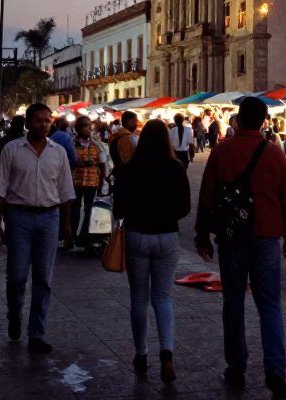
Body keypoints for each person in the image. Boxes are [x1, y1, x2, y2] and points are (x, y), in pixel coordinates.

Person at [195, 96, 286, 399]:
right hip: (267, 235)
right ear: (264, 121)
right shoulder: (274, 152)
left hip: (231, 236)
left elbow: (206, 194)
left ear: (238, 119)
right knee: (270, 304)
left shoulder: (222, 150)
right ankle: (275, 368)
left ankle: (237, 365)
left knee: (233, 302)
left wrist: (202, 235)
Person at [0, 103, 74, 353]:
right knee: (17, 276)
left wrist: (67, 225)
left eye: (47, 120)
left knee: (43, 278)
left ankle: (37, 332)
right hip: (19, 217)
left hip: (49, 218)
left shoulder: (58, 152)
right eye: (38, 120)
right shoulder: (12, 150)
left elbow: (66, 192)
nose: (43, 125)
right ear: (27, 123)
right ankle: (14, 313)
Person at [113, 119, 191, 383]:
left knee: (138, 298)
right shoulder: (175, 168)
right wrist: (166, 214)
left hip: (137, 235)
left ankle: (141, 353)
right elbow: (185, 207)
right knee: (163, 297)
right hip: (166, 236)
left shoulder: (131, 168)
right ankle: (167, 354)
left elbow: (118, 208)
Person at [69, 115, 110, 247]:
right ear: (78, 128)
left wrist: (102, 183)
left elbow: (102, 164)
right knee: (74, 210)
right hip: (75, 182)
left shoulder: (96, 144)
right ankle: (71, 236)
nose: (88, 129)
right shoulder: (72, 144)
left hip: (92, 182)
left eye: (89, 126)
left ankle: (87, 238)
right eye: (85, 126)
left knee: (90, 209)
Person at [109, 111, 139, 179]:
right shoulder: (126, 138)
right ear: (127, 122)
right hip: (126, 174)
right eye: (134, 121)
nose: (136, 123)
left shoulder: (115, 135)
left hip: (118, 172)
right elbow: (127, 159)